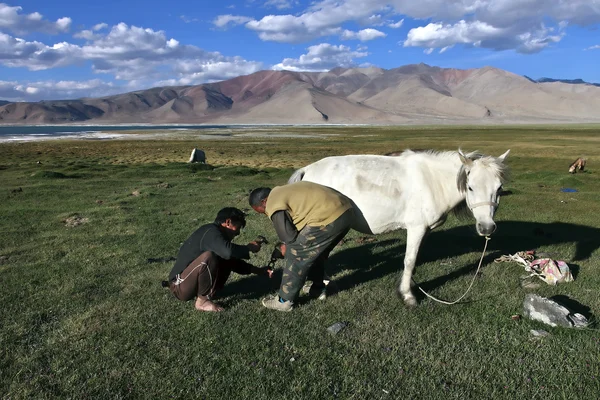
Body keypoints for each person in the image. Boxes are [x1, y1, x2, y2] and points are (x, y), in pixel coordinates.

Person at [249, 181, 354, 312]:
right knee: (315, 253)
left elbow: (289, 238)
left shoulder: (272, 202)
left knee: (296, 252)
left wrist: (283, 248)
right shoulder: (283, 190)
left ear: (264, 201)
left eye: (262, 211)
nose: (266, 214)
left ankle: (284, 301)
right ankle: (317, 289)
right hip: (346, 211)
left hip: (327, 217)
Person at [166, 207, 270, 312]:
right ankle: (202, 302)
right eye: (238, 227)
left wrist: (259, 271)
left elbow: (232, 261)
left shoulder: (217, 238)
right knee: (209, 257)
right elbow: (228, 252)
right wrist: (248, 248)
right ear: (228, 222)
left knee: (223, 257)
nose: (238, 233)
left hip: (190, 284)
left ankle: (205, 295)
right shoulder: (211, 232)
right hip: (179, 286)